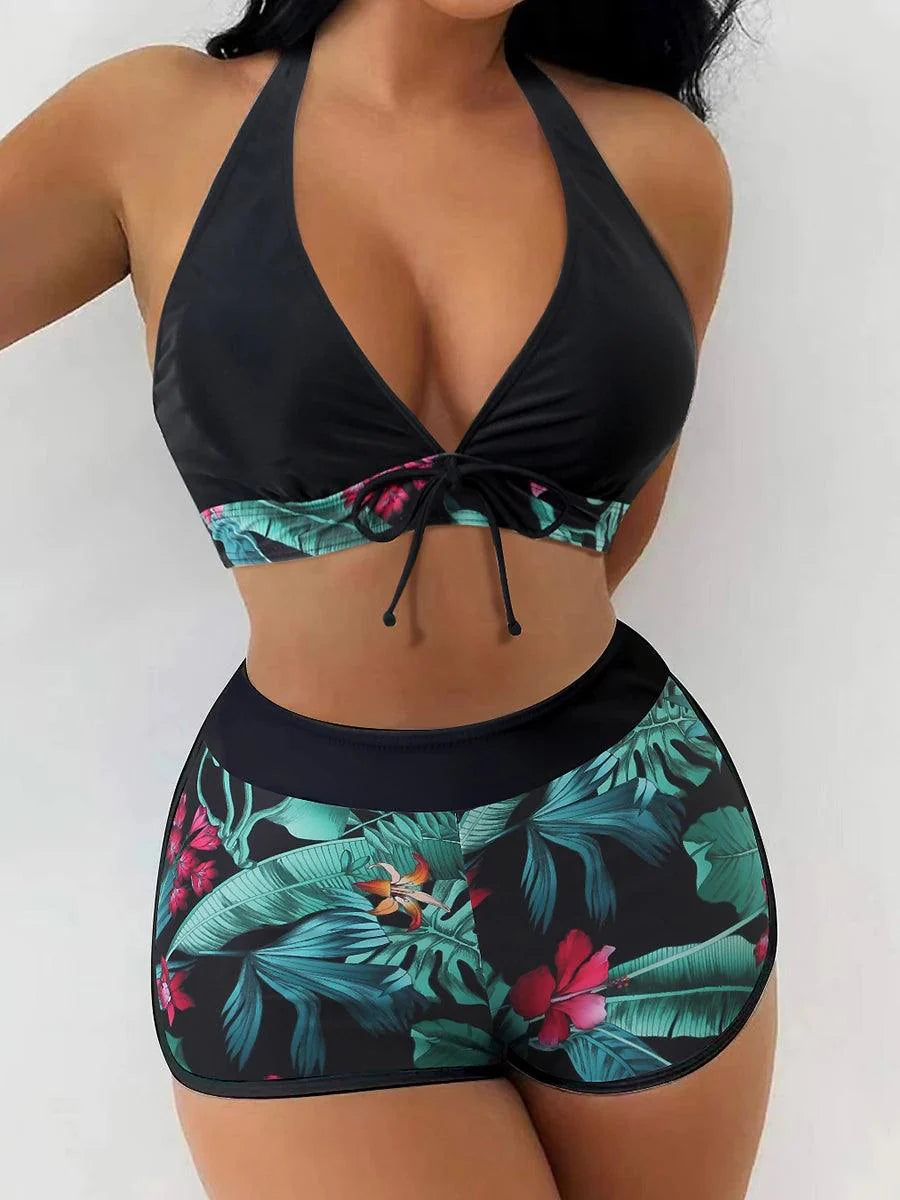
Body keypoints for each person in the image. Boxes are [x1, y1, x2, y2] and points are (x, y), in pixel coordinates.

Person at [0, 1, 778, 1196]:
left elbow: (607, 537)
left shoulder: (662, 165)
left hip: (635, 838)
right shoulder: (151, 124)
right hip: (299, 885)